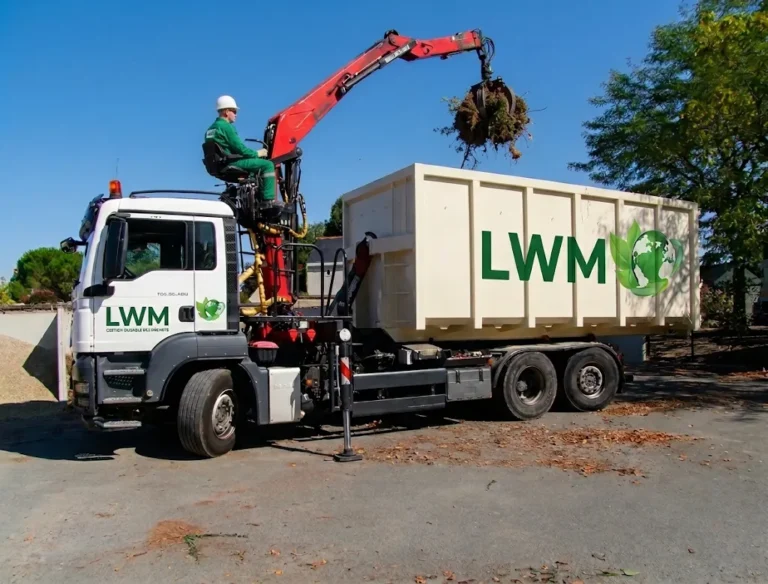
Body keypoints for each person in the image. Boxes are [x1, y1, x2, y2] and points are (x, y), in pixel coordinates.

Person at [204, 95, 277, 202]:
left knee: (253, 172)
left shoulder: (210, 129)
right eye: (234, 111)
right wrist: (257, 154)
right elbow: (240, 149)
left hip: (218, 166)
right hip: (230, 163)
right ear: (226, 111)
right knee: (267, 165)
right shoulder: (226, 127)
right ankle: (268, 202)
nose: (236, 115)